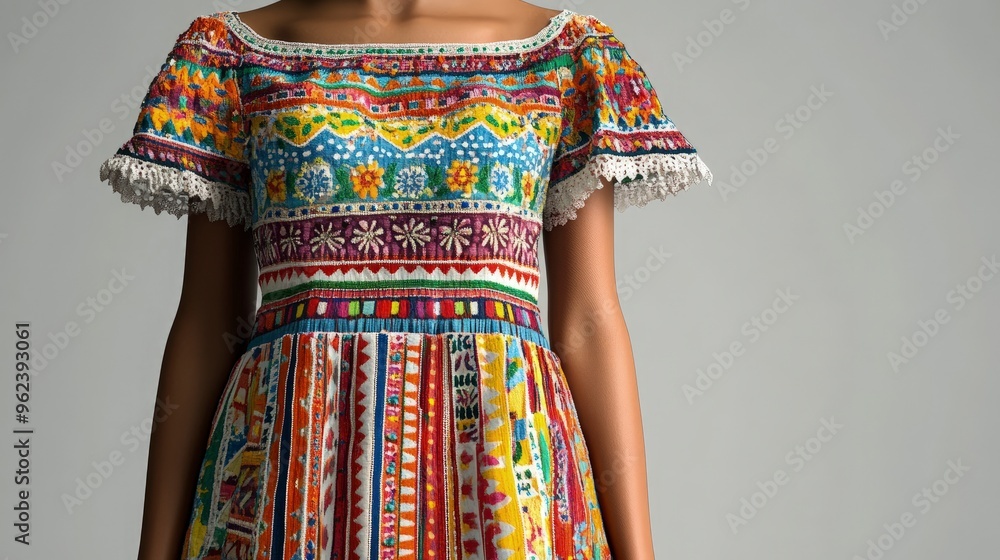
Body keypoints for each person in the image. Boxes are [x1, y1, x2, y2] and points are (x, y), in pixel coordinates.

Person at [98, 1, 713, 559]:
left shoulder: (567, 55)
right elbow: (208, 321)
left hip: (503, 487)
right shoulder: (230, 56)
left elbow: (587, 320)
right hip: (290, 488)